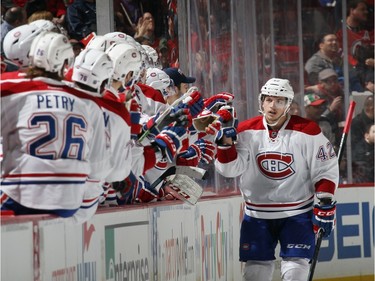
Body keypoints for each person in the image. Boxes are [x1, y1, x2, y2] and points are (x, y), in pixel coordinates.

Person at [214, 78, 339, 281]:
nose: (273, 106)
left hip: (297, 212)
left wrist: (325, 202)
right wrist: (225, 145)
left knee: (295, 269)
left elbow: (324, 169)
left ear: (288, 104)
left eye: (279, 101)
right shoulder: (245, 131)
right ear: (261, 102)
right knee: (255, 271)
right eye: (269, 100)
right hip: (256, 214)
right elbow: (229, 170)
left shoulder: (307, 130)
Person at [0, 31, 108, 222]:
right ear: (67, 64)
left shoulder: (13, 88)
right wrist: (83, 211)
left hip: (21, 197)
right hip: (70, 202)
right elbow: (98, 166)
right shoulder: (86, 102)